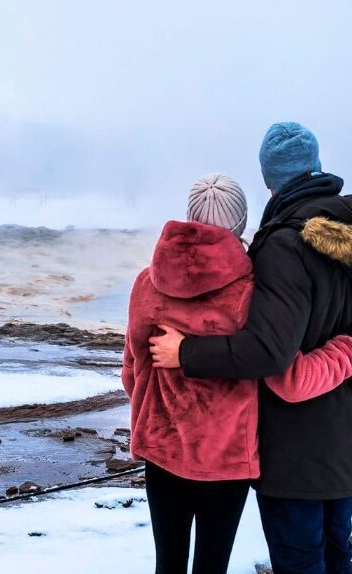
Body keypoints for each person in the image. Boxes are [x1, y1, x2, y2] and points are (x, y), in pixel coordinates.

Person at [122, 172, 352, 574]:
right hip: (226, 457)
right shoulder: (249, 288)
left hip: (161, 446)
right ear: (242, 223)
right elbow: (272, 365)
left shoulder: (148, 281)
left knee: (168, 561)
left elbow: (133, 367)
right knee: (213, 564)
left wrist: (152, 410)